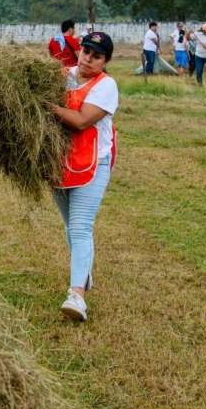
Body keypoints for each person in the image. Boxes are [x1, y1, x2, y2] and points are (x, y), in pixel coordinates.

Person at [46, 31, 119, 322]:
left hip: (93, 162)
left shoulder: (106, 85)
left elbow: (80, 121)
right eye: (86, 51)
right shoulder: (63, 75)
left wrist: (49, 106)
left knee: (79, 228)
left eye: (96, 56)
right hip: (59, 162)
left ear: (105, 61)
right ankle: (84, 274)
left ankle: (77, 296)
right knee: (70, 227)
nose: (88, 59)